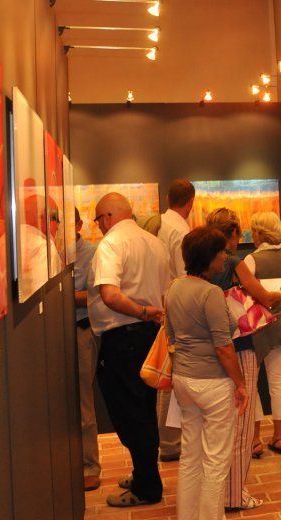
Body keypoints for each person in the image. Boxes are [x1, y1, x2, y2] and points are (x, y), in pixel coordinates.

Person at [88, 192, 172, 508]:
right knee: (144, 408)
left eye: (98, 219)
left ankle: (147, 486)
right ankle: (144, 474)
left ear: (108, 216)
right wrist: (149, 314)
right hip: (149, 336)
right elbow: (166, 290)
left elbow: (110, 295)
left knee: (129, 413)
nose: (99, 226)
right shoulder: (155, 243)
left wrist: (141, 311)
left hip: (123, 338)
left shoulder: (111, 243)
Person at [205, 208, 281, 512]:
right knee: (240, 425)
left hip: (210, 349)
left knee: (215, 426)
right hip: (240, 345)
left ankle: (214, 491)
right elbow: (264, 296)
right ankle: (234, 494)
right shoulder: (234, 263)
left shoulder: (201, 263)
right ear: (233, 234)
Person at [165, 227, 249, 520]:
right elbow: (223, 346)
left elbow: (171, 335)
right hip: (212, 383)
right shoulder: (210, 292)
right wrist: (241, 384)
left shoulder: (174, 287)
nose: (225, 257)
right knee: (215, 462)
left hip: (183, 379)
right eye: (222, 252)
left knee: (190, 457)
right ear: (210, 256)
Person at [244, 211, 281, 458]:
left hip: (256, 326)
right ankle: (279, 436)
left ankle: (255, 439)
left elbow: (246, 294)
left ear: (258, 232)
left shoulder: (251, 260)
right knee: (279, 380)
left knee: (251, 384)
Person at [157, 179, 196, 461]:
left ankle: (169, 440)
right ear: (190, 202)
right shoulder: (180, 230)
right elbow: (186, 276)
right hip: (178, 308)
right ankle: (171, 442)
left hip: (163, 303)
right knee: (173, 377)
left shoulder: (160, 223)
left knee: (167, 375)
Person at [72, 208, 101, 491]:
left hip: (80, 331)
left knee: (83, 400)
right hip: (50, 337)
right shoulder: (49, 250)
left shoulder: (91, 253)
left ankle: (89, 465)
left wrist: (58, 295)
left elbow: (94, 295)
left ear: (79, 224)